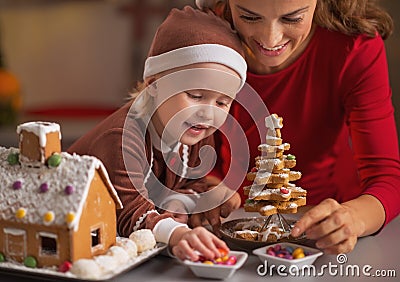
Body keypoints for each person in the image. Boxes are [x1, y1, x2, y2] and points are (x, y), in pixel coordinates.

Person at [195, 0, 400, 254]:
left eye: (292, 19)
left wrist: (352, 217)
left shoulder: (353, 48)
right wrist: (207, 188)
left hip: (326, 239)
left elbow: (386, 179)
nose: (270, 39)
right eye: (249, 17)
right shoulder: (204, 37)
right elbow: (199, 149)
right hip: (231, 236)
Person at [68, 6, 247, 261]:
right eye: (195, 96)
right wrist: (178, 234)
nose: (208, 114)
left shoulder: (195, 131)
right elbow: (130, 212)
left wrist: (198, 198)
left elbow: (189, 183)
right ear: (154, 85)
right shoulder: (123, 137)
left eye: (222, 102)